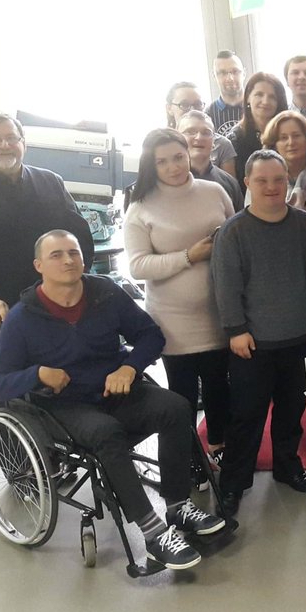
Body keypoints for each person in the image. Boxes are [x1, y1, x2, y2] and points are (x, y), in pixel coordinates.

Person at [0, 230, 225, 570]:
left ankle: (177, 505)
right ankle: (153, 534)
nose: (68, 260)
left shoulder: (106, 294)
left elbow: (150, 335)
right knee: (106, 433)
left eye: (74, 253)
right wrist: (37, 374)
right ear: (38, 265)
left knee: (176, 407)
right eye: (56, 255)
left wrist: (129, 367)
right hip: (64, 406)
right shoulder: (22, 318)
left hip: (116, 391)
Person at [211, 149, 306, 515]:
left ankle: (287, 466)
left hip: (300, 337)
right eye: (262, 180)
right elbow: (226, 285)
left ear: (288, 181)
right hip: (253, 343)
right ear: (247, 183)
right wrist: (236, 329)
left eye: (278, 179)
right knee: (246, 415)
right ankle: (234, 482)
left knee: (291, 410)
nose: (271, 187)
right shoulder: (233, 232)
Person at [0, 113, 94, 396]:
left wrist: (80, 280)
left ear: (24, 144)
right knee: (4, 386)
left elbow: (78, 234)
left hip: (54, 300)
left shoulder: (50, 182)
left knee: (63, 379)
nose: (5, 145)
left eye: (12, 138)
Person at [124, 127, 234, 472]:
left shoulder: (214, 191)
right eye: (162, 161)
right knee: (182, 393)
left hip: (218, 314)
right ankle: (190, 456)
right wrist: (189, 256)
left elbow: (235, 240)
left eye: (178, 157)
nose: (173, 167)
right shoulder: (140, 207)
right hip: (173, 321)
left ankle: (218, 444)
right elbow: (138, 266)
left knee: (218, 387)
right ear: (150, 165)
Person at [226, 72, 287, 186]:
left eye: (272, 97)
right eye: (259, 94)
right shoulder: (235, 139)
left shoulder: (287, 136)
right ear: (248, 98)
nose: (265, 101)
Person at [164, 81, 236, 177]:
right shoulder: (160, 145)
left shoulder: (222, 144)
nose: (192, 109)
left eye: (198, 104)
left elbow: (228, 183)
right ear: (169, 108)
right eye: (184, 105)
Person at [178, 111, 244, 209]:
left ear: (214, 141)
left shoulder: (229, 183)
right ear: (178, 138)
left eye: (206, 133)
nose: (199, 137)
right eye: (190, 132)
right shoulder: (169, 181)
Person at [206, 50, 245, 136]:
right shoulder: (208, 114)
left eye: (235, 71)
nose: (230, 78)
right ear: (214, 76)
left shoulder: (257, 107)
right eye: (222, 73)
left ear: (244, 73)